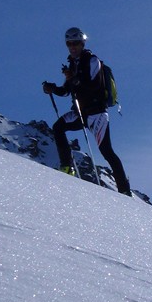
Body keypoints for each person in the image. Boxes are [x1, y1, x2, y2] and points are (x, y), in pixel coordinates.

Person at [43, 27, 132, 196]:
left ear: (83, 43)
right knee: (58, 127)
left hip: (97, 112)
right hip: (81, 112)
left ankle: (124, 190)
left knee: (107, 151)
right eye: (69, 43)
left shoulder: (92, 61)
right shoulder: (73, 64)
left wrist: (74, 80)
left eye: (76, 43)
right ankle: (67, 167)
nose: (72, 47)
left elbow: (95, 86)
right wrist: (52, 88)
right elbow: (65, 90)